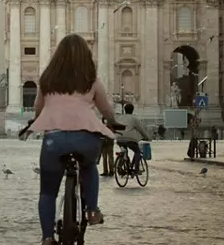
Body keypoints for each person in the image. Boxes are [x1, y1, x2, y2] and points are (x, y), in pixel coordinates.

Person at [25, 34, 124, 245]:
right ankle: (92, 210)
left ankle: (47, 237)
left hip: (54, 140)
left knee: (48, 192)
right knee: (89, 167)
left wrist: (35, 121)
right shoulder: (91, 80)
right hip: (85, 137)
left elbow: (38, 107)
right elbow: (105, 108)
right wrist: (113, 121)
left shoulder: (47, 79)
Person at [117, 103, 151, 173]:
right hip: (130, 140)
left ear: (124, 110)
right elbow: (141, 129)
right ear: (132, 110)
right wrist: (147, 137)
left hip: (119, 139)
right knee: (137, 152)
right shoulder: (134, 119)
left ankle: (123, 163)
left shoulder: (120, 117)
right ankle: (136, 169)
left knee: (124, 151)